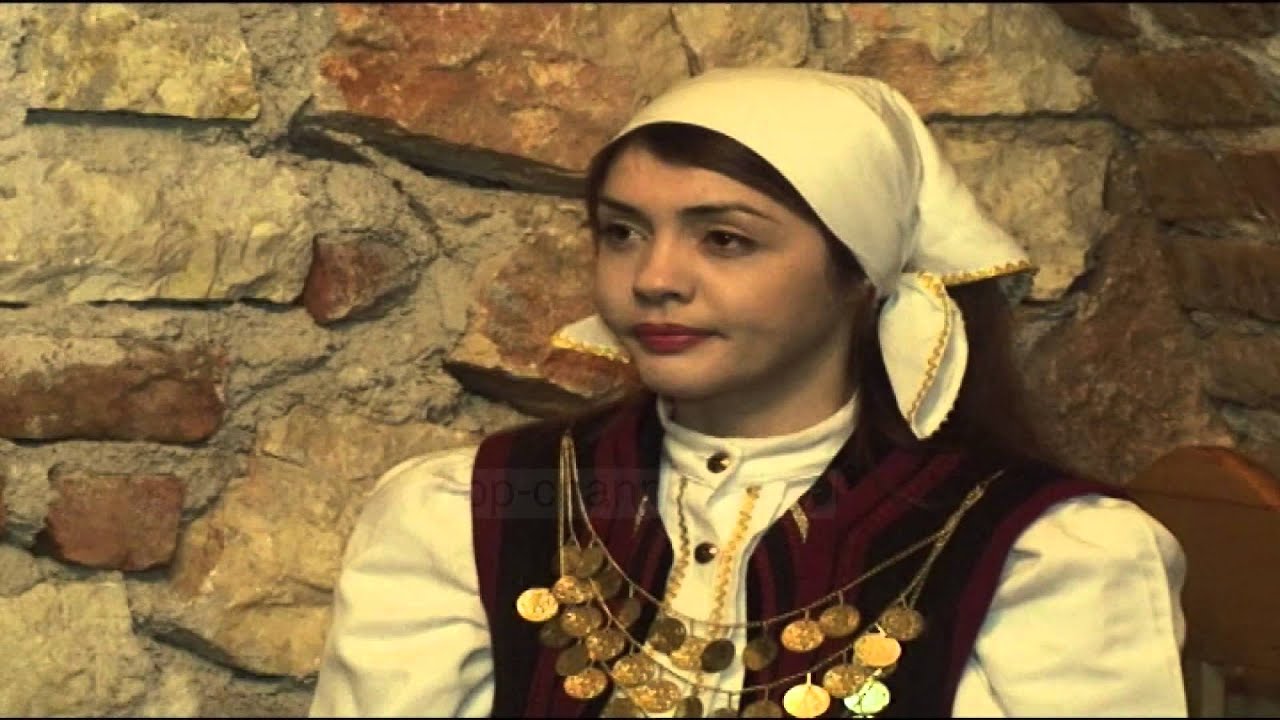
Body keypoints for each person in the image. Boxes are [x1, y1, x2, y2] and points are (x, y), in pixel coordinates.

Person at [309, 67, 1188, 718]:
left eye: (724, 239)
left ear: (859, 274)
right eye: (622, 232)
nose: (655, 278)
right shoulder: (470, 512)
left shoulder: (1043, 556)